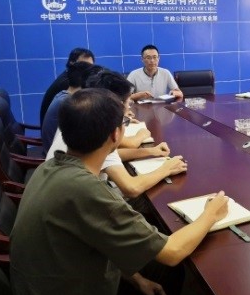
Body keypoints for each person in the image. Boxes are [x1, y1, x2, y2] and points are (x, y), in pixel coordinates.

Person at [11, 88, 227, 295]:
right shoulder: (87, 191)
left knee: (166, 274)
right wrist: (211, 213)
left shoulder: (49, 167)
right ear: (116, 135)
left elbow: (95, 242)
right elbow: (173, 252)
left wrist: (137, 280)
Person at [47, 70, 187, 199]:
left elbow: (110, 155)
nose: (129, 106)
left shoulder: (83, 117)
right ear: (116, 103)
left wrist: (151, 151)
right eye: (128, 102)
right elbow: (131, 188)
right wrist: (167, 168)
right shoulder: (102, 131)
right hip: (83, 198)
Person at [41, 61, 94, 155]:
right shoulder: (69, 103)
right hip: (57, 156)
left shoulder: (63, 95)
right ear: (86, 82)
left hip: (55, 151)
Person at [39, 47, 95, 125]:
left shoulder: (67, 77)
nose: (88, 70)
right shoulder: (68, 83)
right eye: (83, 65)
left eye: (90, 67)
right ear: (72, 63)